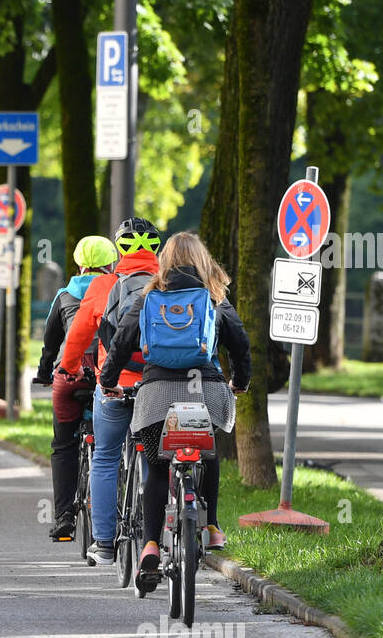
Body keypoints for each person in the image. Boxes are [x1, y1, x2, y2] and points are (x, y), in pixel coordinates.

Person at [100, 231, 251, 594]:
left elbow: (121, 340)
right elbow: (240, 343)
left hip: (156, 396)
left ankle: (150, 543)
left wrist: (108, 380)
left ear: (164, 261)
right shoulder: (214, 295)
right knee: (207, 453)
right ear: (202, 260)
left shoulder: (151, 295)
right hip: (206, 393)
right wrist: (240, 382)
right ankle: (212, 526)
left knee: (156, 467)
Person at [53, 218, 162, 560]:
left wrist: (69, 369)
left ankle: (103, 544)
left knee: (105, 457)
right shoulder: (170, 284)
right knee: (156, 456)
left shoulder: (103, 286)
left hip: (113, 387)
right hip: (156, 385)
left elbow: (77, 339)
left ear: (120, 251)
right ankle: (152, 538)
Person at [35, 235, 117, 541]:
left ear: (79, 264)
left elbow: (50, 343)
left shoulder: (64, 295)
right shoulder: (116, 292)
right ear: (111, 264)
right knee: (111, 446)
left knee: (63, 445)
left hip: (69, 378)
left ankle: (64, 517)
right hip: (105, 376)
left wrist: (44, 374)